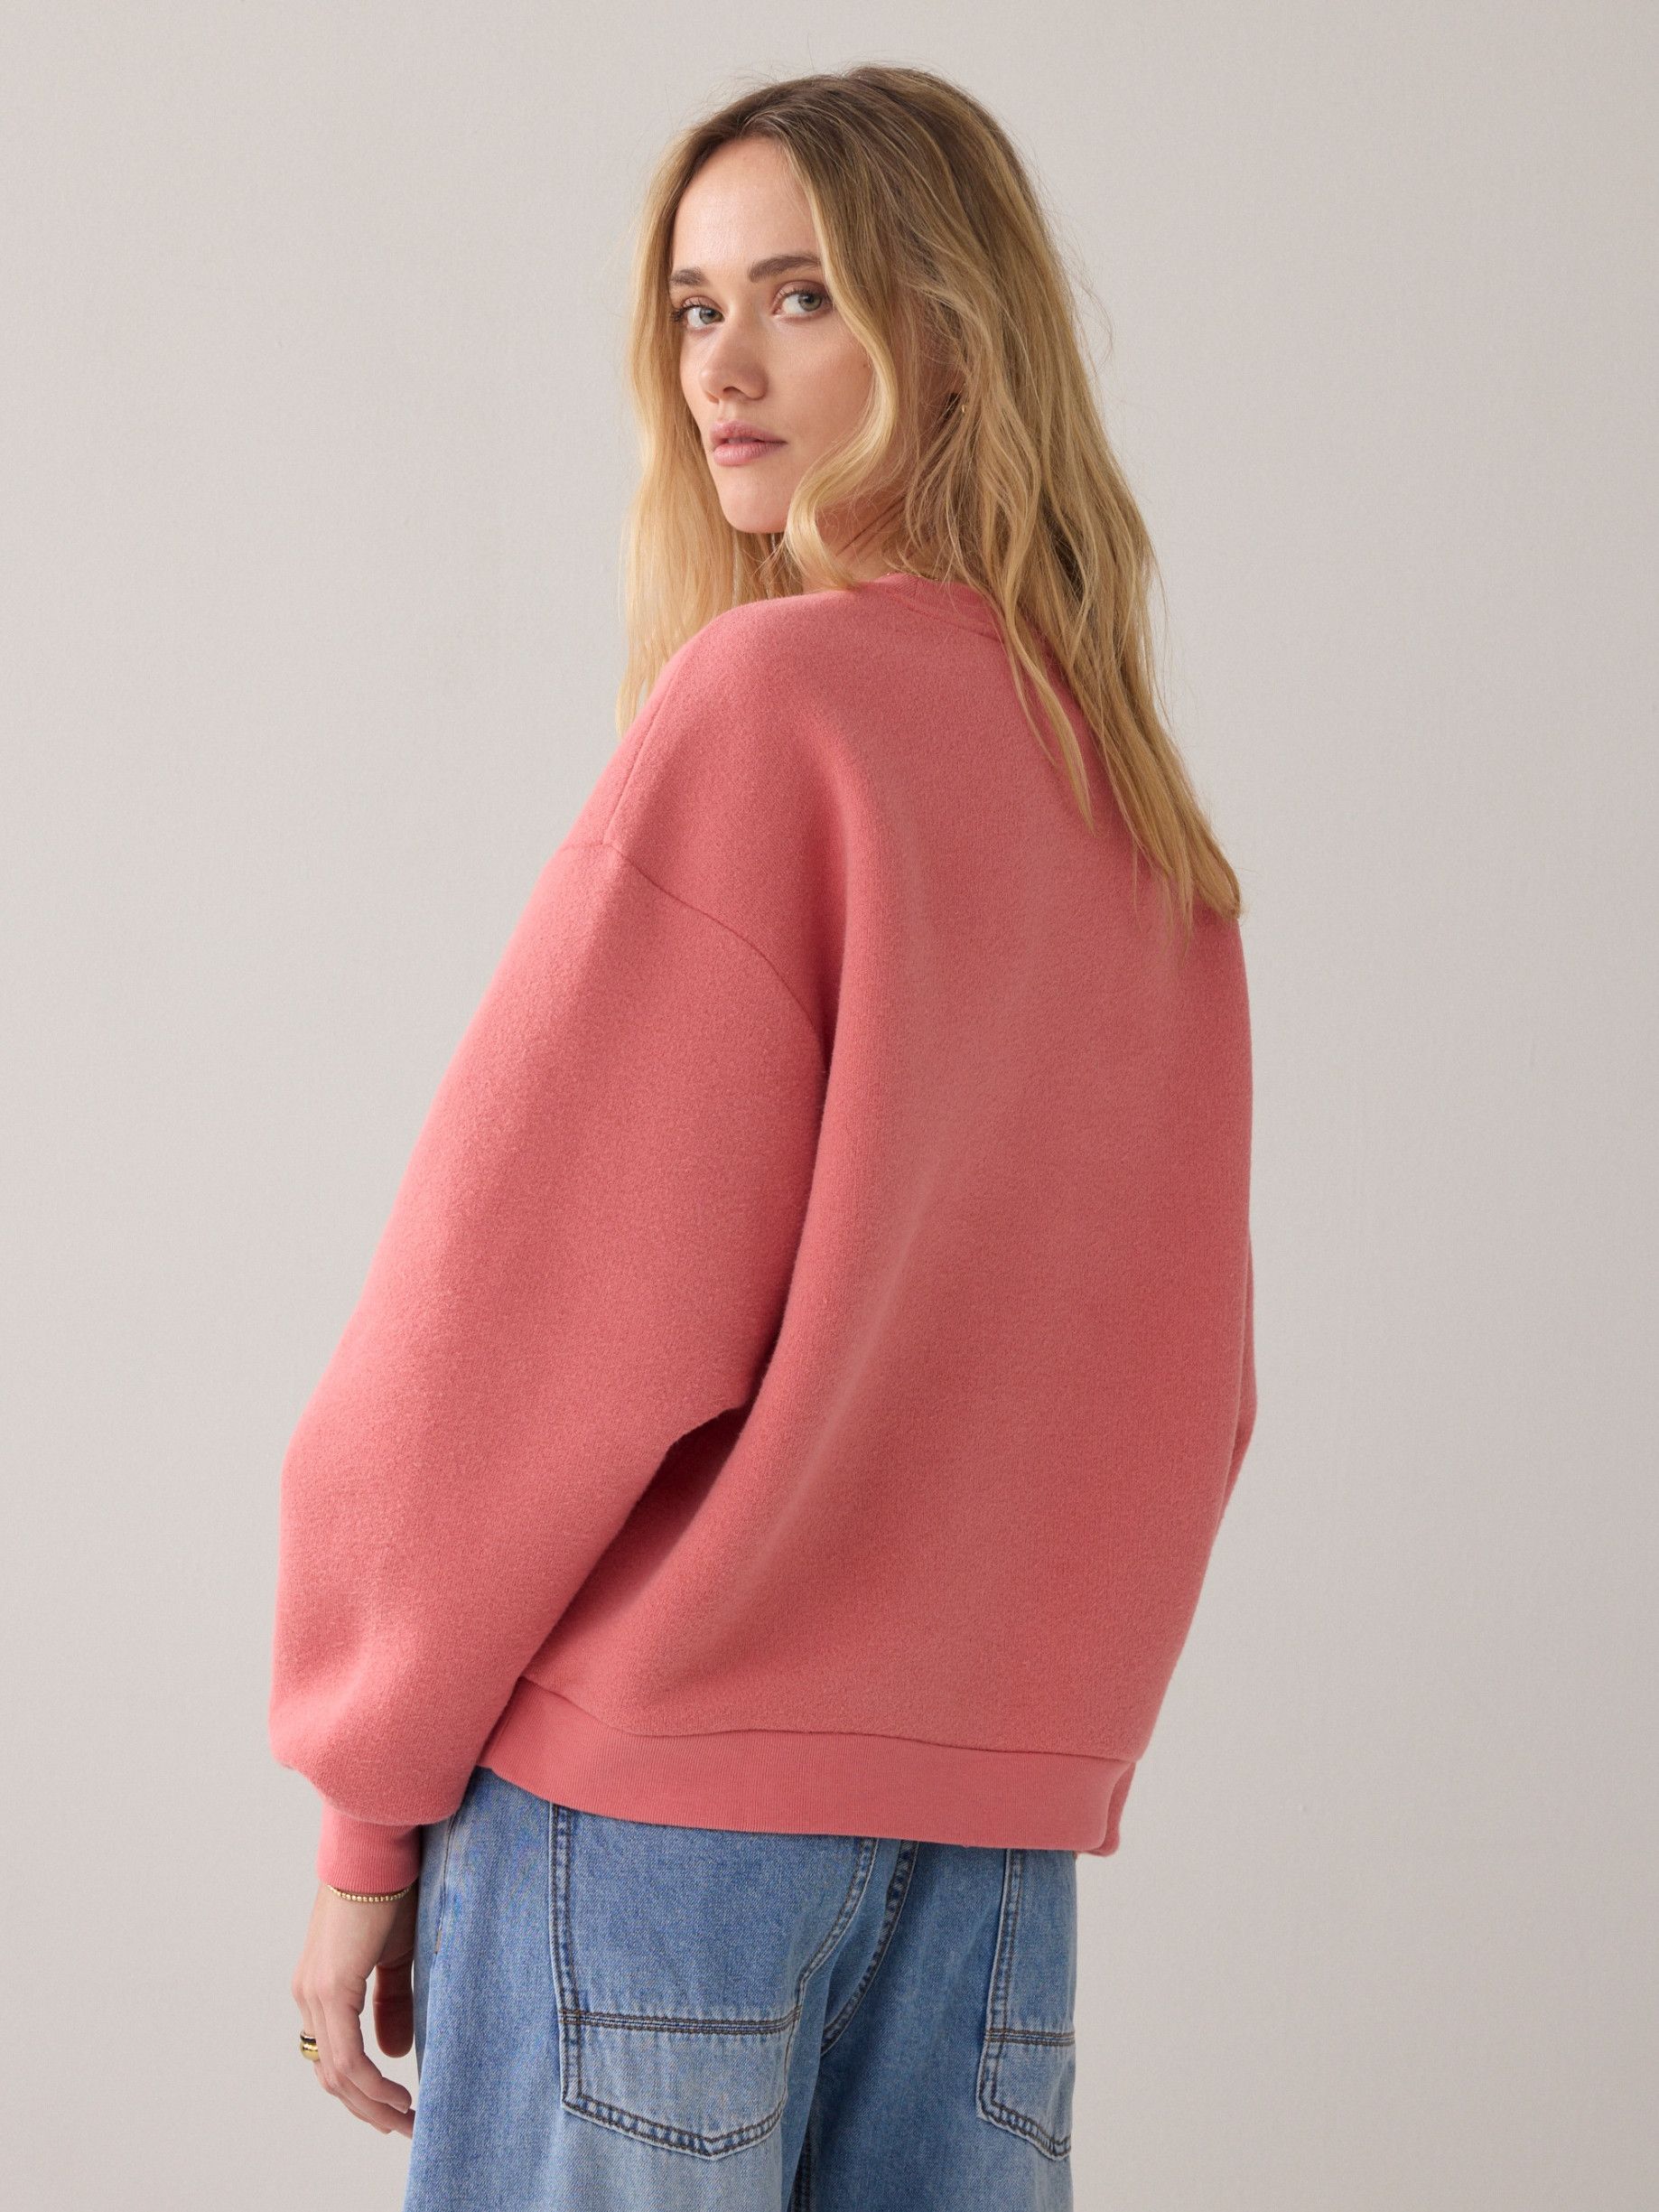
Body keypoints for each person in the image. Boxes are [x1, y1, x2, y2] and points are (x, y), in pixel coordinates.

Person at [269, 62, 1257, 2211]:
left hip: (658, 1829)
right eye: (694, 306)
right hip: (986, 1855)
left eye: (801, 296)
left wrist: (364, 1808)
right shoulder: (1130, 805)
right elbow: (1178, 1382)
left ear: (951, 335)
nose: (722, 365)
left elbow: (513, 1323)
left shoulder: (767, 709)